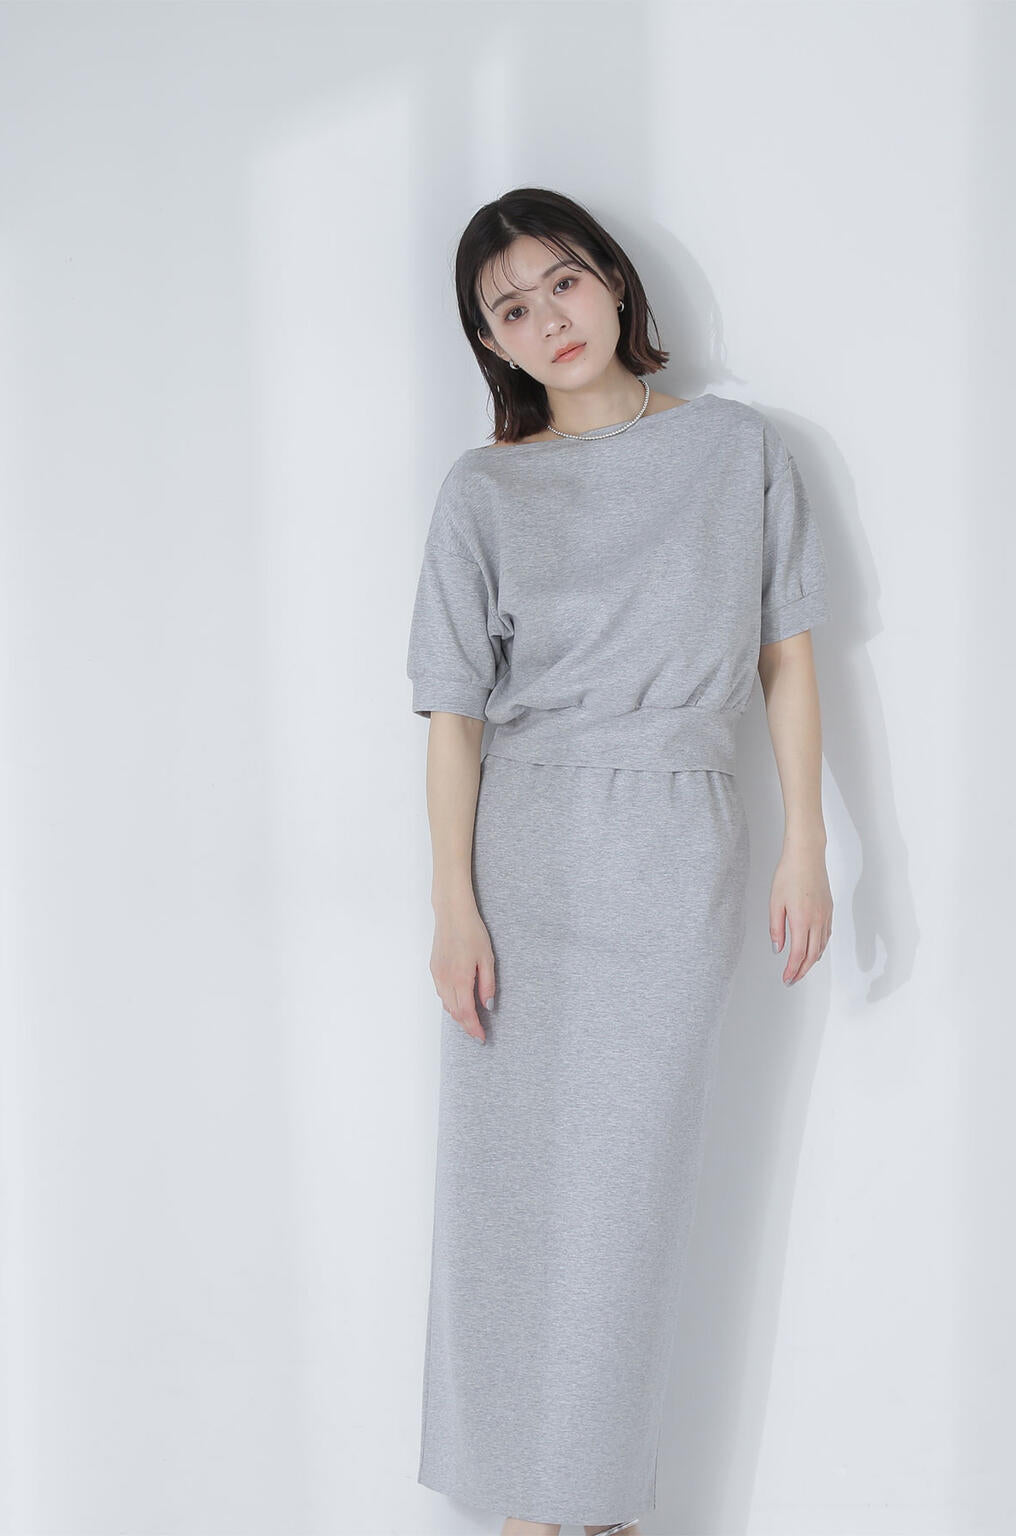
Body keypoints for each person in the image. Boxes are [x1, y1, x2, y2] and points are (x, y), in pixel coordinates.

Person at [405, 188, 833, 1536]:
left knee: (622, 1207)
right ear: (491, 344)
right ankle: (526, 1511)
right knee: (506, 1202)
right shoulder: (483, 490)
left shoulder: (735, 450)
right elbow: (453, 716)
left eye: (564, 282)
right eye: (511, 309)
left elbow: (786, 657)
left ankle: (594, 1505)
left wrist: (809, 842)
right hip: (524, 858)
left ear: (614, 281)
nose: (550, 319)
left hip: (673, 843)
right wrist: (454, 908)